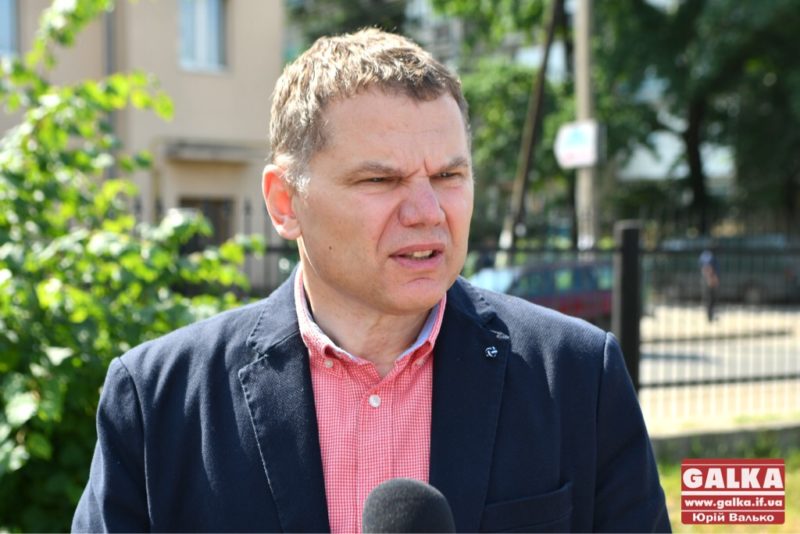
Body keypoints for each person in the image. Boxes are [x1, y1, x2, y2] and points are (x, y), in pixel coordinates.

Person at [72, 29, 670, 533]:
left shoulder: (577, 376)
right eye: (380, 181)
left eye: (449, 175)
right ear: (284, 202)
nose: (428, 212)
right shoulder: (158, 400)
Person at [699, 247, 720, 322]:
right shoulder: (708, 256)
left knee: (711, 299)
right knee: (710, 299)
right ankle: (710, 317)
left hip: (709, 278)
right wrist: (710, 278)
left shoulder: (705, 255)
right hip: (709, 279)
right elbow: (707, 267)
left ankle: (711, 316)